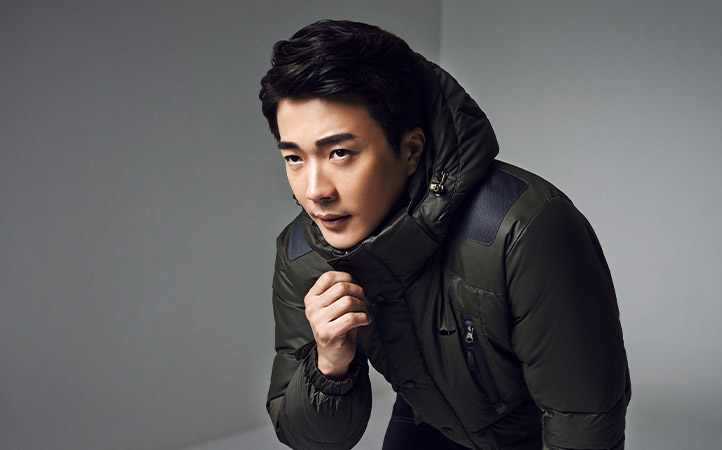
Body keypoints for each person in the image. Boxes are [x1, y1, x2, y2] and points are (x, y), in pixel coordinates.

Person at [259, 19, 630, 450]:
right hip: (433, 419)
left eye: (340, 153)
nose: (315, 191)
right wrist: (329, 365)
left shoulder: (521, 229)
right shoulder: (304, 253)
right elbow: (309, 438)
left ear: (411, 150)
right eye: (294, 158)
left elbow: (583, 421)